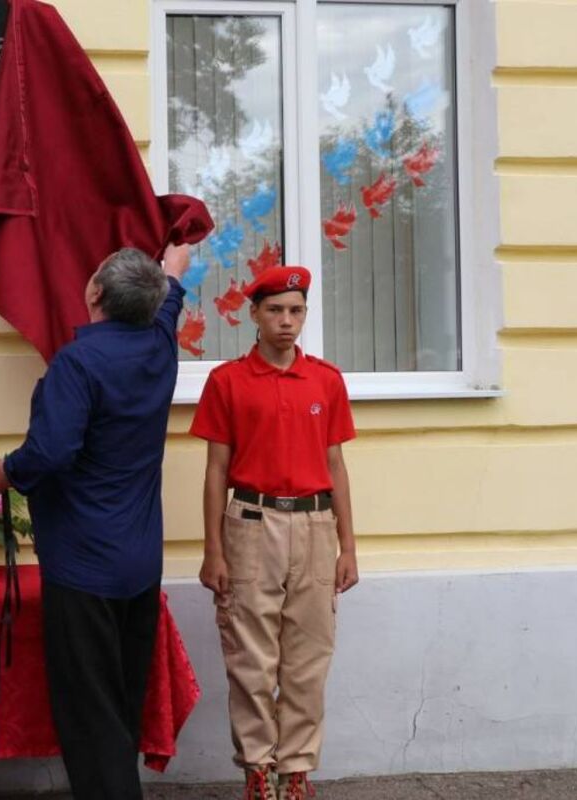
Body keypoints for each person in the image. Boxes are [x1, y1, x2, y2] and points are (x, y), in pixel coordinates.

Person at [0, 243, 192, 800]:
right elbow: (169, 304)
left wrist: (1, 472)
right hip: (140, 566)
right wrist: (173, 268)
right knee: (120, 705)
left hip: (84, 567)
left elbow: (50, 452)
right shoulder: (159, 346)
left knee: (91, 718)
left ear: (94, 292)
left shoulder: (78, 363)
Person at [189, 266, 359, 800]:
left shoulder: (326, 381)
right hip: (251, 525)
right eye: (276, 311)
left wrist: (348, 546)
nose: (287, 322)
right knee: (251, 657)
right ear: (255, 315)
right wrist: (212, 549)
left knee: (309, 656)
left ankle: (297, 771)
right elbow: (216, 470)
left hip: (313, 525)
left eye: (296, 311)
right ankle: (258, 769)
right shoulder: (228, 382)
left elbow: (335, 466)